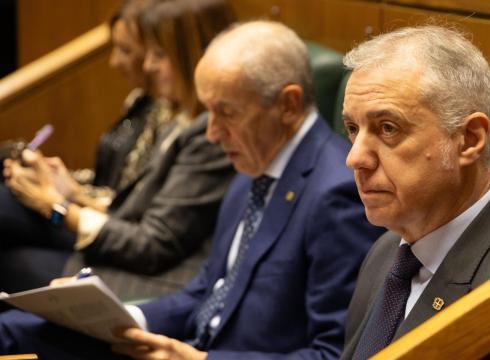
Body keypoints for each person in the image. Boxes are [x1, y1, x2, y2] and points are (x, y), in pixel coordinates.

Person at [0, 20, 383, 358]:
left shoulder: (337, 194)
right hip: (185, 341)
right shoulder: (254, 164)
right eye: (208, 112)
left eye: (226, 113)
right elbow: (207, 291)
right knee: (17, 328)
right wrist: (118, 316)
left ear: (288, 104)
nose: (213, 133)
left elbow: (332, 354)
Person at [0, 0, 236, 300]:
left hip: (148, 276)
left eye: (159, 54)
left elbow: (151, 245)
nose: (147, 66)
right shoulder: (175, 114)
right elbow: (136, 208)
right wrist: (72, 193)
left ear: (190, 57)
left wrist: (56, 206)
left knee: (10, 252)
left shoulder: (209, 133)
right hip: (116, 241)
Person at [339, 25, 490, 360]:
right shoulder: (388, 250)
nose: (354, 158)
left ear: (470, 139)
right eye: (352, 128)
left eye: (388, 128)